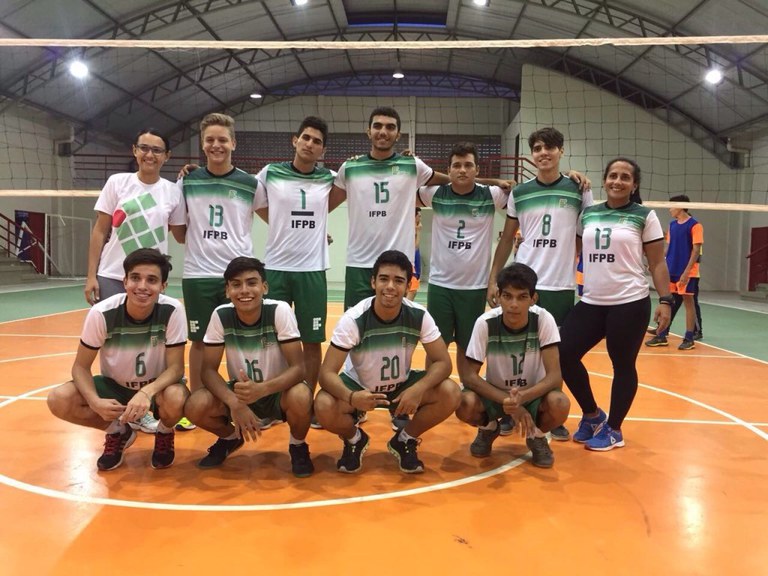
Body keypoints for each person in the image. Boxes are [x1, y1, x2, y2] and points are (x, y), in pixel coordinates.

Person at [559, 157, 672, 451]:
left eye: (625, 177)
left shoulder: (644, 216)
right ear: (605, 180)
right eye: (612, 175)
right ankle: (592, 415)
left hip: (629, 302)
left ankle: (614, 429)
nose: (617, 181)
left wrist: (666, 300)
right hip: (592, 300)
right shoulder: (589, 214)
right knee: (563, 354)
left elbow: (657, 263)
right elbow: (573, 250)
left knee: (622, 365)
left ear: (634, 185)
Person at [488, 127, 592, 441]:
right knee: (515, 350)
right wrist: (493, 279)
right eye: (537, 148)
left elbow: (585, 235)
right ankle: (508, 410)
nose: (543, 153)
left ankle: (551, 413)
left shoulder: (579, 189)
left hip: (559, 284)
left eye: (549, 148)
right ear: (532, 154)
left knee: (552, 353)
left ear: (561, 151)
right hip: (522, 283)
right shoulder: (520, 192)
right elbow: (507, 238)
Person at [314, 250, 461, 474]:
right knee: (323, 405)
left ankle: (405, 439)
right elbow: (326, 373)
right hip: (360, 387)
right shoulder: (354, 319)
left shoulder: (419, 315)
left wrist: (418, 389)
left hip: (401, 387)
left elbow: (443, 362)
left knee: (451, 392)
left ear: (408, 285)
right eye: (384, 279)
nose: (390, 286)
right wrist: (351, 397)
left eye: (398, 281)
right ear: (373, 282)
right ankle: (354, 439)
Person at [47, 249, 188, 470]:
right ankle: (118, 431)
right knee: (59, 399)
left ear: (163, 286)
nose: (142, 286)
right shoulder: (102, 313)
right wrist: (94, 401)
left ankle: (164, 431)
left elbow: (176, 368)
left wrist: (146, 392)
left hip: (156, 388)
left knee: (177, 397)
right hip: (115, 387)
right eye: (135, 278)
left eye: (151, 280)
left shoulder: (172, 310)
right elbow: (80, 367)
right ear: (125, 282)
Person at [84, 128, 185, 434]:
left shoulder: (173, 191)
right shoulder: (118, 183)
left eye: (157, 150)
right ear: (135, 151)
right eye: (144, 148)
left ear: (166, 156)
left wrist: (191, 184)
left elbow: (180, 234)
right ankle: (121, 414)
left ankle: (152, 405)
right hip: (113, 274)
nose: (149, 154)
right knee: (115, 347)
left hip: (150, 280)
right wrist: (91, 275)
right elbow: (100, 230)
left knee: (152, 345)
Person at [183, 257, 313, 476]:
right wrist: (234, 402)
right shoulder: (221, 315)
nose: (244, 290)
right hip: (241, 392)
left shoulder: (279, 310)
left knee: (301, 395)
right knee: (195, 405)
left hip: (276, 391)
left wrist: (262, 389)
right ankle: (230, 438)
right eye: (236, 284)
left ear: (264, 287)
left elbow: (299, 368)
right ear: (227, 291)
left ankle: (297, 445)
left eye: (252, 283)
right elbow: (208, 370)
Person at [180, 113, 262, 422]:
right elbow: (179, 231)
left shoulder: (251, 183)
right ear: (202, 144)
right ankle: (197, 406)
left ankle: (250, 401)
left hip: (238, 276)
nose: (216, 145)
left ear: (233, 143)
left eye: (222, 140)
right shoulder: (188, 181)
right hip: (199, 274)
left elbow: (276, 217)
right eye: (210, 140)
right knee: (200, 342)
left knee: (245, 340)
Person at [457, 263, 569, 468]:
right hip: (496, 395)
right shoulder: (485, 323)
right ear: (498, 296)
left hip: (532, 395)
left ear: (533, 298)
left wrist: (522, 398)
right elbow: (469, 376)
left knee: (560, 403)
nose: (514, 304)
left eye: (522, 297)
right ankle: (489, 428)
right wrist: (509, 402)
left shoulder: (543, 320)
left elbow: (555, 376)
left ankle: (536, 435)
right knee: (464, 403)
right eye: (507, 296)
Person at [253, 116, 335, 399]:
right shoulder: (270, 173)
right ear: (295, 140)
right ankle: (272, 400)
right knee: (273, 339)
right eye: (306, 138)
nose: (310, 144)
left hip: (312, 270)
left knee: (311, 340)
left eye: (317, 141)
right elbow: (255, 202)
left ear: (323, 150)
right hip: (276, 267)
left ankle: (306, 400)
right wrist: (280, 223)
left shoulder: (330, 178)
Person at [418, 142, 509, 389]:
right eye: (456, 165)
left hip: (474, 288)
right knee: (436, 346)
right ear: (448, 169)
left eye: (468, 165)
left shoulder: (491, 195)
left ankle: (468, 393)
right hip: (440, 286)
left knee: (468, 349)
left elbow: (521, 193)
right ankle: (431, 393)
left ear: (477, 169)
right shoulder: (435, 194)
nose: (462, 170)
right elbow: (405, 187)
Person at [645, 194, 704, 350]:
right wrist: (657, 262)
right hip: (671, 270)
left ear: (680, 206)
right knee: (669, 302)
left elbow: (696, 251)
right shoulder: (672, 225)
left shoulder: (695, 225)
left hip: (687, 271)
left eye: (671, 206)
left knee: (689, 303)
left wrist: (686, 272)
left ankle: (689, 338)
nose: (669, 209)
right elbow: (669, 248)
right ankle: (662, 335)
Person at [406, 206, 423, 301]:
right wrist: (419, 232)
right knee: (412, 290)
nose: (420, 218)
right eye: (419, 216)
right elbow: (415, 248)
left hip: (416, 263)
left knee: (413, 290)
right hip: (411, 263)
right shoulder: (410, 230)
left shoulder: (415, 228)